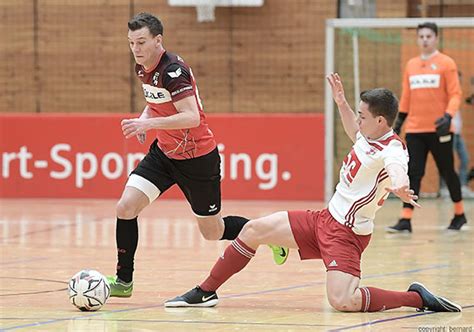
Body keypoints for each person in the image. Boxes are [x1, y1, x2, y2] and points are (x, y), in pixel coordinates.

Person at [164, 73, 462, 314]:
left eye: (362, 116)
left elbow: (397, 169)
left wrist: (400, 185)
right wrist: (342, 103)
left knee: (344, 301)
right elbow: (354, 133)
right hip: (323, 219)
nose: (357, 121)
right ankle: (205, 291)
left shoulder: (393, 149)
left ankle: (415, 298)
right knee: (253, 230)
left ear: (381, 121)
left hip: (347, 235)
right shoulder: (368, 135)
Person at [107, 12, 288, 297]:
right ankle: (123, 281)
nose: (136, 49)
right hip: (164, 155)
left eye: (141, 42)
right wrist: (145, 116)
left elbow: (191, 117)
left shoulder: (173, 70)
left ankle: (267, 234)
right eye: (131, 43)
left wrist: (148, 124)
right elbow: (156, 102)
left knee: (212, 232)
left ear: (158, 40)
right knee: (125, 207)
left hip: (197, 158)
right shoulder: (142, 67)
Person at [387, 22, 467, 233]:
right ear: (417, 39)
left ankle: (459, 214)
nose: (424, 39)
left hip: (439, 129)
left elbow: (456, 94)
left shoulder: (446, 63)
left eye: (428, 36)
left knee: (448, 171)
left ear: (436, 38)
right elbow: (406, 97)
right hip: (415, 130)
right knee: (414, 173)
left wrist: (448, 116)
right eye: (421, 36)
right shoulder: (411, 65)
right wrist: (399, 123)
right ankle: (406, 219)